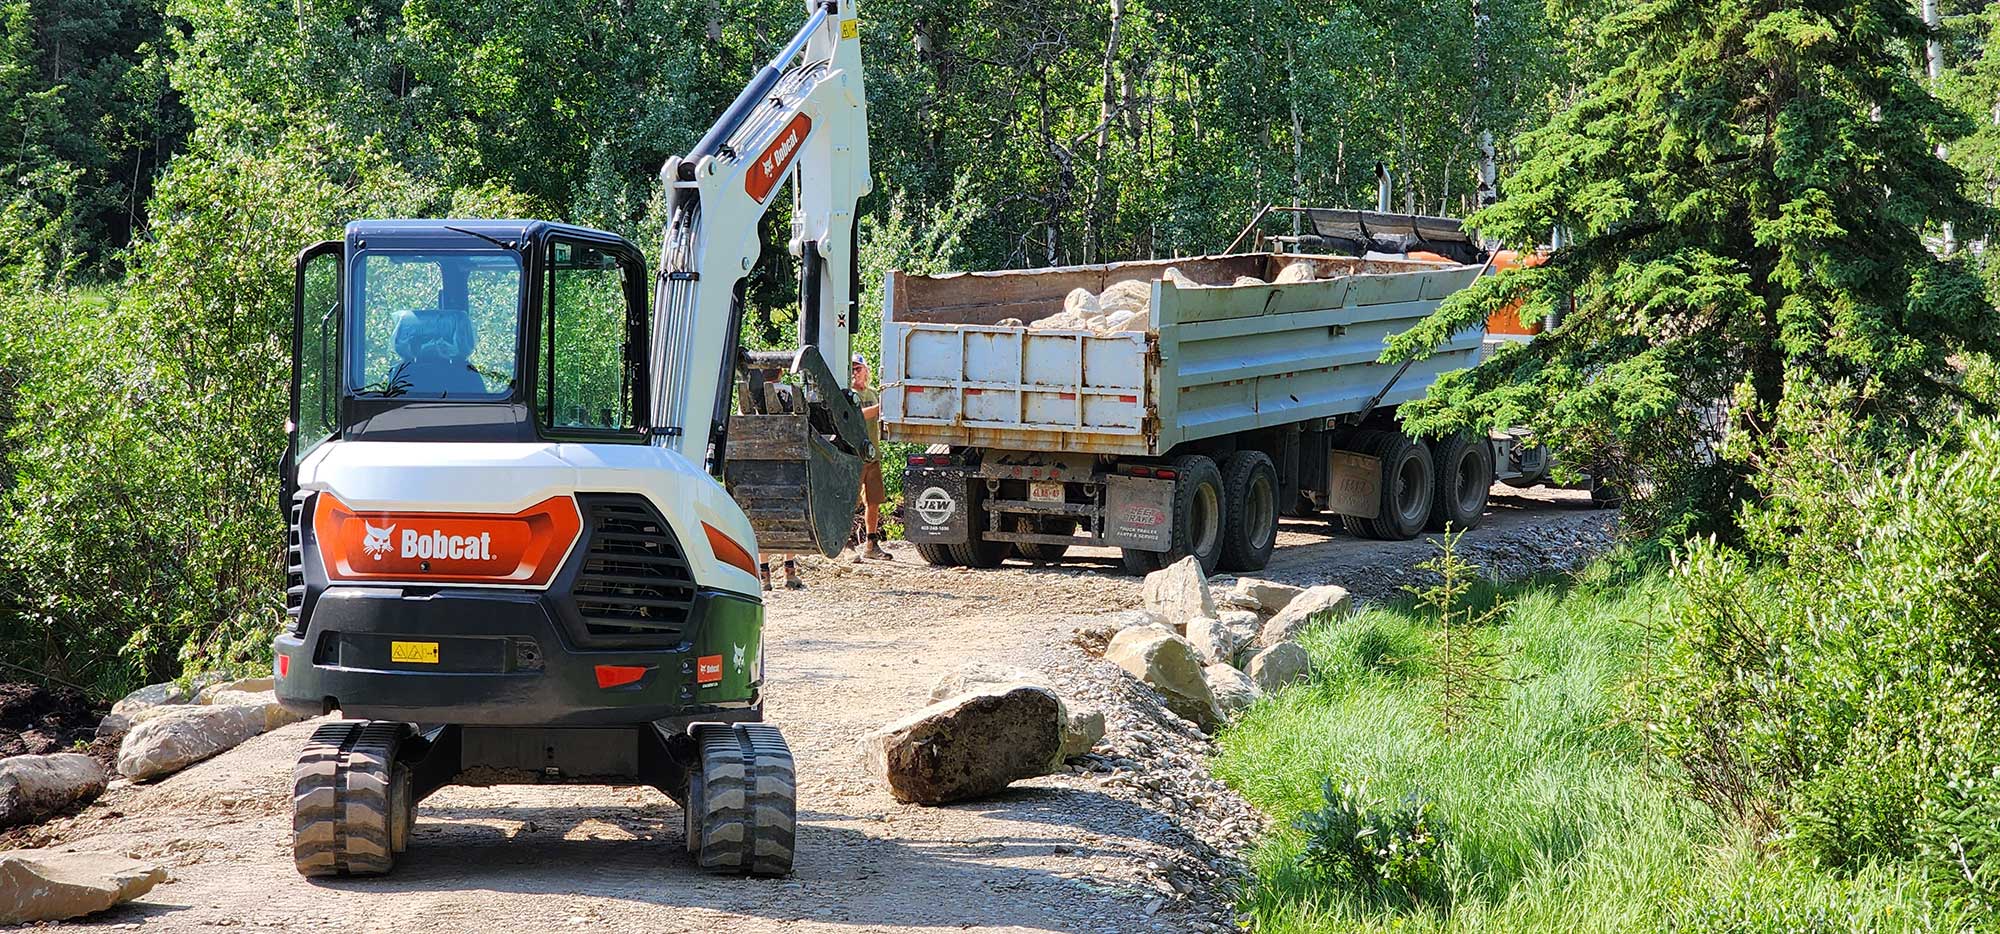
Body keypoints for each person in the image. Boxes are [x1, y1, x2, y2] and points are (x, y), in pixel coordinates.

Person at [851, 353, 892, 561]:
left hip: (872, 455)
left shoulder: (874, 393)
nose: (855, 372)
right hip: (853, 456)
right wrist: (882, 407)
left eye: (858, 368)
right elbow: (859, 415)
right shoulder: (847, 395)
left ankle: (871, 544)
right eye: (852, 368)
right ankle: (845, 545)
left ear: (866, 370)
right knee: (850, 501)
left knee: (874, 502)